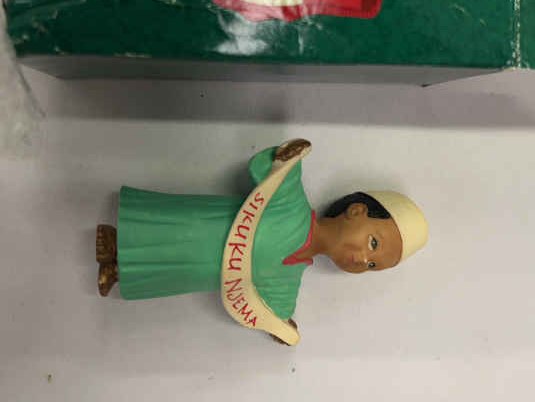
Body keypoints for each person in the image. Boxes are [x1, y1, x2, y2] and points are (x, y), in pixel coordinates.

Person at [96, 139, 427, 340]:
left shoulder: (291, 273)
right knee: (167, 229)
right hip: (206, 225)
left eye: (372, 266)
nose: (363, 260)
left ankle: (119, 271)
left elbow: (274, 304)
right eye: (373, 244)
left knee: (171, 269)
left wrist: (281, 326)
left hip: (202, 271)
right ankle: (114, 239)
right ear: (356, 211)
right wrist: (286, 157)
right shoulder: (292, 208)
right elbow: (278, 173)